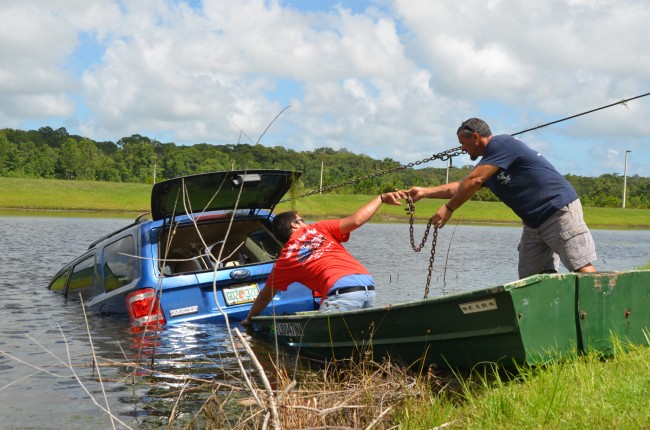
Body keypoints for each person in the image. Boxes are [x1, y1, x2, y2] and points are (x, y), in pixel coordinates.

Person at [403, 117, 597, 279]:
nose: (462, 148)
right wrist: (425, 192)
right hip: (533, 222)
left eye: (463, 143)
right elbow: (462, 186)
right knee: (532, 279)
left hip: (558, 211)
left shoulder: (501, 144)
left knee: (581, 266)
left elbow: (473, 180)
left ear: (476, 137)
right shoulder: (490, 163)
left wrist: (449, 209)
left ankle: (602, 311)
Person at [242, 191, 403, 324]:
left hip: (342, 292)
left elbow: (265, 296)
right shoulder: (320, 228)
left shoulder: (286, 260)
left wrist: (249, 319)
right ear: (294, 224)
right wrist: (380, 198)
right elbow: (356, 220)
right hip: (367, 285)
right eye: (302, 220)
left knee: (325, 344)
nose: (305, 223)